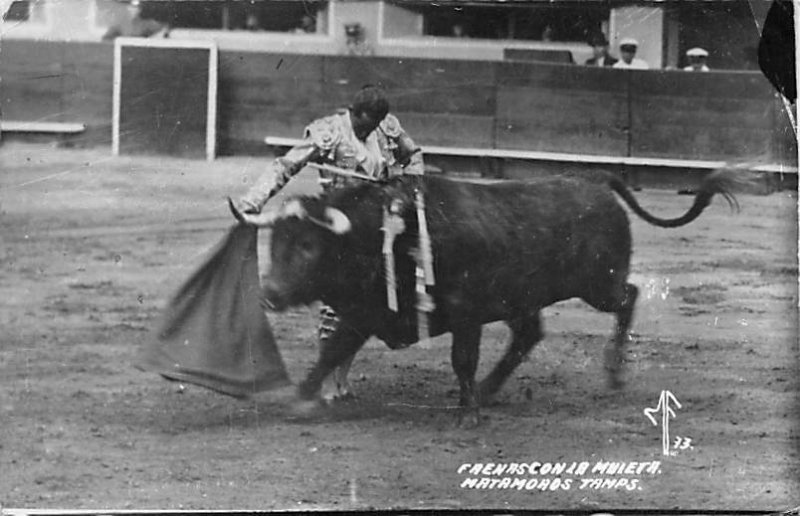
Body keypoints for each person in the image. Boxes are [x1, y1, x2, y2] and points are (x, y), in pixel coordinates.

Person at [233, 85, 425, 398]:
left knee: (365, 306)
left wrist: (407, 182)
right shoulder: (329, 132)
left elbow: (414, 155)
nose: (371, 129)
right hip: (332, 229)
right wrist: (254, 199)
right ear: (355, 112)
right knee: (333, 308)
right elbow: (287, 165)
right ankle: (327, 383)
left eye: (376, 124)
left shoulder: (387, 127)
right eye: (366, 122)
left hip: (374, 230)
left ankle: (341, 379)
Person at [102, 0, 170, 40]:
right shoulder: (120, 25)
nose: (132, 9)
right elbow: (106, 39)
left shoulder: (147, 25)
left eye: (135, 7)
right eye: (129, 7)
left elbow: (163, 29)